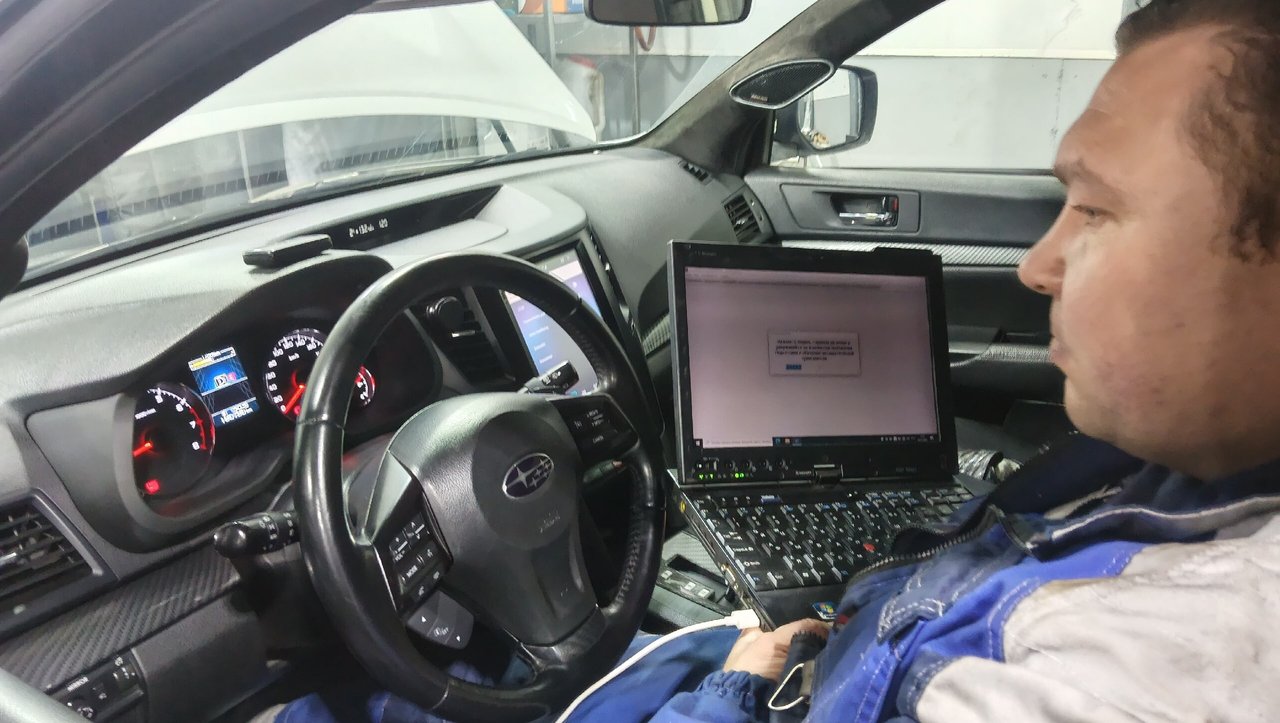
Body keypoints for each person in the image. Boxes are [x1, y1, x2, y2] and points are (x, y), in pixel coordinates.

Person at [277, 0, 1280, 719]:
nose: (1035, 265)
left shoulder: (1119, 677)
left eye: (1094, 208)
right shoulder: (1194, 470)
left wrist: (732, 686)